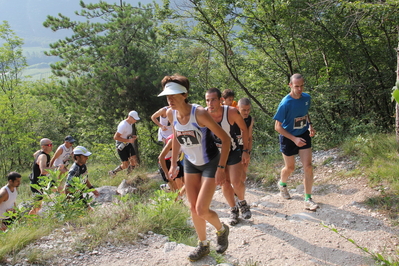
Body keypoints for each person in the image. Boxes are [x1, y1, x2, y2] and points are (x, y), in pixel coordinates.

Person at [159, 74, 231, 262]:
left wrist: (221, 168)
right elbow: (176, 136)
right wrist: (174, 163)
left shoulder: (199, 114)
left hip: (210, 162)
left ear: (185, 94)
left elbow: (225, 139)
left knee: (201, 209)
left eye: (174, 95)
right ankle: (203, 245)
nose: (170, 99)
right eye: (168, 96)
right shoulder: (170, 113)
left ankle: (222, 230)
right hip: (190, 162)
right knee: (192, 207)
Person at [205, 88, 251, 226]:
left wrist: (246, 150)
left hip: (232, 150)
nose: (210, 103)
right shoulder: (203, 114)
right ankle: (233, 209)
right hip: (216, 155)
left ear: (220, 100)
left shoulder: (230, 112)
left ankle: (242, 203)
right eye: (207, 100)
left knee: (236, 182)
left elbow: (244, 129)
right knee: (224, 183)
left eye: (213, 99)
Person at [273, 73, 318, 211]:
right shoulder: (285, 103)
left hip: (303, 134)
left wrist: (310, 125)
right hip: (288, 137)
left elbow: (305, 112)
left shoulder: (306, 98)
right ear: (290, 85)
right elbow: (277, 127)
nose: (299, 89)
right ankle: (282, 183)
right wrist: (294, 139)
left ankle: (308, 199)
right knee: (290, 168)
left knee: (308, 166)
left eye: (301, 86)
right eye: (296, 86)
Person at [29, 138, 64, 215]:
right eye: (49, 145)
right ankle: (29, 221)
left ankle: (65, 208)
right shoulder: (43, 156)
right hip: (37, 183)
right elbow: (43, 170)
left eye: (51, 144)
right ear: (43, 146)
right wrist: (57, 167)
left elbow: (35, 154)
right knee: (37, 206)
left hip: (44, 181)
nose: (51, 146)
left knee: (61, 190)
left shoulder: (40, 153)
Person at [108, 111, 140, 177]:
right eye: (134, 119)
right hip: (121, 145)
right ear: (130, 117)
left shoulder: (130, 124)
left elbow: (126, 134)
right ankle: (113, 172)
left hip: (127, 144)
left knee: (134, 161)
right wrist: (128, 140)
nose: (135, 121)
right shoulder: (123, 125)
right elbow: (116, 137)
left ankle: (129, 175)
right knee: (125, 165)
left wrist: (131, 136)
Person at [237, 98, 254, 177]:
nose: (247, 112)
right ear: (238, 108)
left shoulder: (250, 119)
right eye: (244, 110)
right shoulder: (231, 118)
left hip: (244, 147)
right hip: (232, 148)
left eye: (248, 109)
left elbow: (250, 137)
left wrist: (248, 152)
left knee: (243, 174)